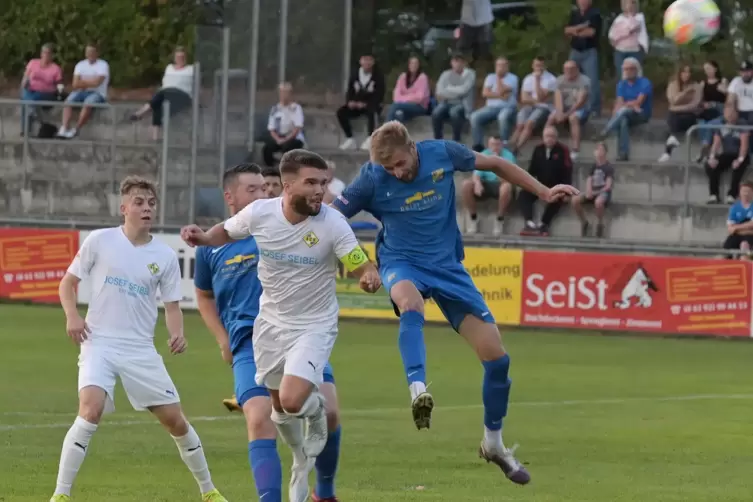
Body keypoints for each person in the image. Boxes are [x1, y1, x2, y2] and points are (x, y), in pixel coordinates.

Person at [331, 121, 578, 485]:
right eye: (389, 169)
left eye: (400, 164)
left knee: (497, 359)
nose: (397, 173)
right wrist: (358, 263)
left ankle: (493, 443)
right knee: (410, 305)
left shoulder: (442, 154)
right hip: (402, 262)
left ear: (413, 148)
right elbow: (332, 218)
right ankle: (418, 390)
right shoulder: (371, 178)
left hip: (448, 267)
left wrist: (542, 191)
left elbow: (495, 164)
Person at [180, 149, 381, 499]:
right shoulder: (260, 214)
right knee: (278, 412)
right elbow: (225, 232)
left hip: (314, 325)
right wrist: (203, 237)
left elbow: (356, 259)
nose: (320, 190)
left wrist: (368, 273)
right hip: (270, 326)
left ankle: (315, 413)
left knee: (292, 400)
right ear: (288, 186)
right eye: (311, 183)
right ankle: (301, 459)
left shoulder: (332, 222)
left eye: (323, 182)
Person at [50, 176, 228, 502]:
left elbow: (172, 306)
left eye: (151, 203)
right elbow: (67, 283)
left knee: (175, 421)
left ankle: (209, 491)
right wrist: (72, 316)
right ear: (124, 208)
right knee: (90, 410)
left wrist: (177, 334)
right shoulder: (99, 241)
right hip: (98, 341)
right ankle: (60, 495)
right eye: (139, 202)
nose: (147, 208)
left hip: (140, 348)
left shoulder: (164, 255)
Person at [518, 126, 573, 236]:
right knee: (523, 194)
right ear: (543, 137)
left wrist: (567, 190)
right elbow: (531, 170)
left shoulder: (563, 150)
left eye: (552, 136)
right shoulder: (538, 149)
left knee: (558, 197)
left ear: (556, 138)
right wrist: (528, 184)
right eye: (547, 136)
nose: (549, 139)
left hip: (557, 186)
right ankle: (529, 223)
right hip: (540, 185)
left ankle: (544, 225)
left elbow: (568, 170)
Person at [129, 46, 194, 140]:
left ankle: (141, 112)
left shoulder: (191, 69)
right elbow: (165, 83)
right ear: (174, 58)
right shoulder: (169, 68)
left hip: (183, 95)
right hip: (167, 94)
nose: (180, 59)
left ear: (186, 58)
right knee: (158, 104)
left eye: (182, 57)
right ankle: (155, 137)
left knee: (162, 94)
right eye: (178, 57)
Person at [462, 135, 516, 236]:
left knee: (506, 187)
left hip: (501, 183)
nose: (495, 147)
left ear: (501, 145)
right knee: (466, 185)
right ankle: (473, 218)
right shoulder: (483, 154)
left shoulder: (508, 156)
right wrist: (477, 183)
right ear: (488, 145)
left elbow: (508, 178)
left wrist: (496, 165)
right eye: (492, 144)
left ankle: (499, 219)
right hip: (486, 184)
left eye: (497, 144)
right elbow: (476, 174)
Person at [599, 57, 652, 161]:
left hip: (642, 114)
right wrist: (626, 106)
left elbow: (639, 102)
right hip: (627, 113)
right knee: (623, 120)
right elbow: (619, 103)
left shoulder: (645, 82)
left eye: (631, 69)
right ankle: (623, 154)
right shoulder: (621, 84)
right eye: (626, 69)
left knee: (625, 111)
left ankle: (606, 131)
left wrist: (626, 105)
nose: (628, 71)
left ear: (637, 70)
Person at [337, 54, 385, 151]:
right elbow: (350, 90)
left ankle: (370, 139)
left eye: (369, 60)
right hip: (356, 105)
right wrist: (350, 102)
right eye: (364, 60)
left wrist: (365, 104)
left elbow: (379, 94)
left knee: (372, 112)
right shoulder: (355, 74)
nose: (367, 63)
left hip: (370, 105)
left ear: (373, 62)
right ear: (360, 61)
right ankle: (350, 139)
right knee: (341, 112)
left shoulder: (378, 76)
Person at [469, 57, 519, 148]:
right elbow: (484, 93)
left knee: (502, 117)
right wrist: (500, 95)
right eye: (498, 65)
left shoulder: (513, 78)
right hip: (491, 108)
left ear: (508, 67)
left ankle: (503, 146)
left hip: (508, 107)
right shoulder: (490, 77)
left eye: (503, 65)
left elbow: (504, 93)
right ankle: (478, 145)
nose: (500, 67)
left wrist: (498, 78)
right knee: (474, 117)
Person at [705, 106, 750, 204]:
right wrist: (712, 157)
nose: (730, 116)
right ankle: (713, 194)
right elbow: (716, 143)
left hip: (741, 154)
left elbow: (744, 145)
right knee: (710, 165)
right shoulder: (720, 124)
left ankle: (732, 195)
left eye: (732, 114)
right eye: (728, 114)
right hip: (727, 154)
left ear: (736, 114)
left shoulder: (742, 124)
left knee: (739, 167)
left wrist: (740, 159)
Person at [659, 64, 701, 162]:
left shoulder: (696, 86)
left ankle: (668, 150)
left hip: (690, 115)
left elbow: (695, 105)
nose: (687, 74)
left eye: (689, 72)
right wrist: (686, 92)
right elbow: (673, 101)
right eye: (684, 72)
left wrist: (677, 108)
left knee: (677, 116)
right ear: (679, 73)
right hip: (675, 115)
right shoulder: (673, 85)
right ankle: (672, 141)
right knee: (672, 116)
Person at [571, 142, 614, 238]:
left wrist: (595, 193)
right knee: (575, 200)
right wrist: (588, 191)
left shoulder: (608, 167)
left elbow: (608, 186)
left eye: (601, 150)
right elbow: (589, 179)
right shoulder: (594, 166)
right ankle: (584, 222)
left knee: (598, 202)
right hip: (593, 192)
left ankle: (600, 224)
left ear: (605, 152)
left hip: (603, 193)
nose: (598, 152)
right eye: (597, 149)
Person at [262, 82, 306, 166]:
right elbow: (271, 128)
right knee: (267, 149)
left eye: (286, 93)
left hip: (293, 137)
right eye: (281, 92)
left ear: (290, 94)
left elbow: (297, 128)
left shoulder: (296, 108)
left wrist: (285, 139)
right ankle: (270, 169)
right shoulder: (275, 109)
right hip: (279, 137)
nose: (283, 95)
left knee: (288, 147)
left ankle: (288, 169)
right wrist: (278, 139)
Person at [697, 60, 728, 162]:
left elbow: (730, 99)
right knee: (702, 123)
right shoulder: (703, 83)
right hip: (707, 110)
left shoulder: (722, 81)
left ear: (715, 69)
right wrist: (703, 104)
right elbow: (699, 100)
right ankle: (704, 146)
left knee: (713, 119)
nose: (708, 71)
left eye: (709, 68)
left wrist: (725, 91)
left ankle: (706, 147)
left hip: (720, 108)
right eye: (706, 69)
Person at [386, 56, 431, 124]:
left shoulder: (422, 78)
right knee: (398, 115)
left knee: (395, 106)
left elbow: (419, 98)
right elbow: (396, 94)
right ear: (408, 65)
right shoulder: (402, 76)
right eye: (412, 63)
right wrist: (408, 99)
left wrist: (403, 99)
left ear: (419, 65)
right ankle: (395, 133)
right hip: (403, 106)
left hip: (419, 107)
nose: (414, 65)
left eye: (416, 63)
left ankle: (385, 131)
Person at [607, 0, 648, 74]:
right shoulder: (618, 19)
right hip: (620, 52)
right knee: (622, 76)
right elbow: (612, 36)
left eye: (632, 3)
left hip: (635, 52)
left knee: (637, 75)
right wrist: (623, 33)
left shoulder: (639, 17)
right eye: (627, 3)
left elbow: (633, 27)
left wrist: (620, 34)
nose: (630, 6)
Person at [724, 179, 753, 259]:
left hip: (749, 238)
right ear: (740, 192)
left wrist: (736, 228)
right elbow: (730, 229)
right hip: (736, 237)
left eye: (748, 191)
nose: (745, 193)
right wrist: (747, 228)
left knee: (745, 245)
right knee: (725, 251)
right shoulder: (734, 208)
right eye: (743, 191)